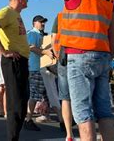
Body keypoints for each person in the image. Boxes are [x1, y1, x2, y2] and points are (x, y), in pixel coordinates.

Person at [33, 0, 114, 141]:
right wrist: (108, 55)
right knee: (104, 111)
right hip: (102, 55)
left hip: (79, 55)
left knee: (83, 113)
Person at [0, 0, 30, 141]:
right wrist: (3, 51)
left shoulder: (17, 15)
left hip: (22, 61)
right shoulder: (6, 12)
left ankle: (15, 136)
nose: (27, 0)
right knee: (15, 105)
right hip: (12, 61)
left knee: (22, 102)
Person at [24, 15, 53, 131]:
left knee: (45, 94)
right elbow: (30, 47)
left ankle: (45, 115)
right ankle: (28, 119)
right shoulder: (32, 34)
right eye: (41, 22)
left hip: (40, 68)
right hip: (34, 68)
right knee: (35, 94)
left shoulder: (41, 35)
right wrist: (45, 52)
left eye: (44, 22)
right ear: (34, 23)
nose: (43, 24)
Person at [52, 13, 75, 141]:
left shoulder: (60, 16)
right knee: (84, 95)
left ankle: (69, 134)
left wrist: (57, 55)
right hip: (81, 55)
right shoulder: (86, 12)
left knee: (65, 97)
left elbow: (53, 38)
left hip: (63, 57)